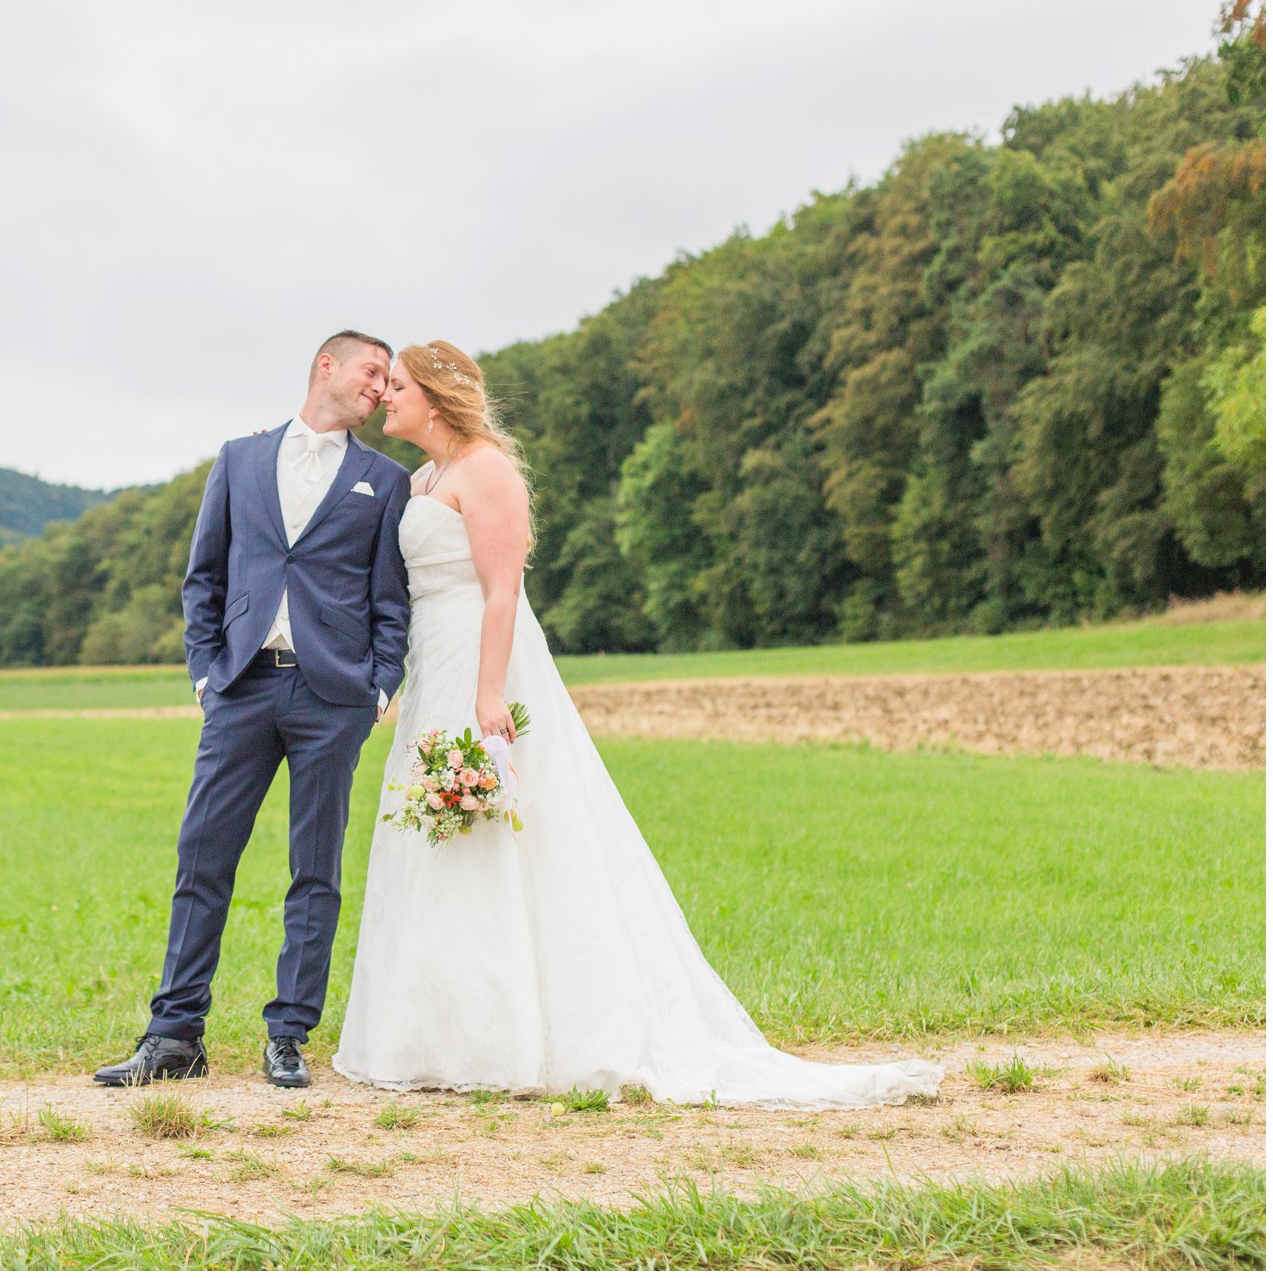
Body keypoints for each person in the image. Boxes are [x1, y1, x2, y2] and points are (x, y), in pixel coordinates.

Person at [331, 340, 944, 1109]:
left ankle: (511, 1035)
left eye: (399, 386)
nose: (386, 396)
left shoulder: (488, 470)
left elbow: (500, 591)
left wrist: (489, 696)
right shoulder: (425, 477)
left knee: (497, 830)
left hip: (485, 665)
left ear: (437, 395)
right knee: (434, 836)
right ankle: (430, 1029)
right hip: (434, 664)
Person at [95, 330, 412, 1089]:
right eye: (373, 371)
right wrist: (206, 674)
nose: (381, 387)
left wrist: (378, 686)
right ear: (325, 367)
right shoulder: (239, 459)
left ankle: (288, 1035)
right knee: (202, 855)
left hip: (332, 697)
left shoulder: (385, 480)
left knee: (315, 869)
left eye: (389, 380)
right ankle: (174, 1035)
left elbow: (390, 599)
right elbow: (201, 577)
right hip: (240, 688)